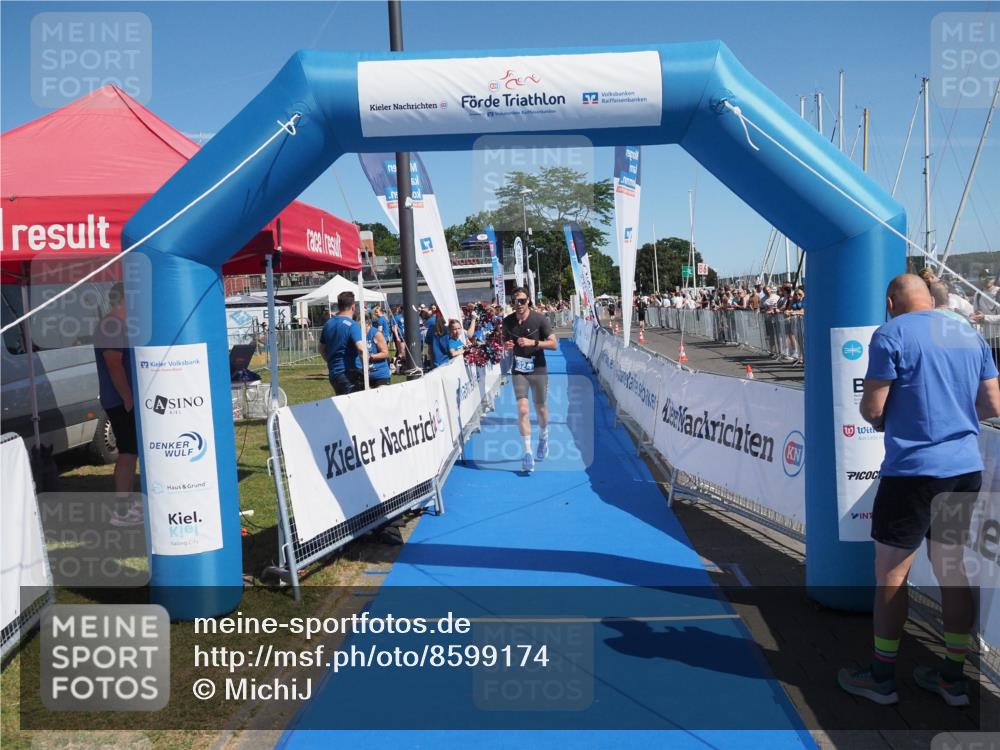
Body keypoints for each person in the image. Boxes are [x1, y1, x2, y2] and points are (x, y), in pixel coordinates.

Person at [838, 274, 1000, 706]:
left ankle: (882, 677)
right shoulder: (968, 333)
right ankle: (952, 678)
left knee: (891, 573)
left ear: (891, 302)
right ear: (930, 299)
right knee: (952, 569)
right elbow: (992, 406)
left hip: (912, 472)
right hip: (964, 468)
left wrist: (891, 419)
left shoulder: (890, 334)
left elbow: (873, 408)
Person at [94, 282, 142, 527]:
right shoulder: (111, 325)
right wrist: (128, 397)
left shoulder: (119, 325)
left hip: (123, 399)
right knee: (128, 452)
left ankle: (128, 506)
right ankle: (122, 511)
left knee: (130, 451)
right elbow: (113, 363)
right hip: (121, 400)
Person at [502, 288, 558, 473]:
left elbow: (554, 344)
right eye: (515, 301)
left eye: (522, 301)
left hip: (538, 368)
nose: (519, 304)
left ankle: (543, 436)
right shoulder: (507, 321)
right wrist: (507, 345)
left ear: (528, 301)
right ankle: (527, 453)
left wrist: (533, 343)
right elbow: (504, 342)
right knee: (523, 409)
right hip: (519, 369)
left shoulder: (540, 319)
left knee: (540, 408)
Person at [318, 291, 365, 395]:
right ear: (353, 307)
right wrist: (366, 368)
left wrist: (330, 361)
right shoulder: (352, 325)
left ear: (339, 306)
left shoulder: (328, 324)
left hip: (334, 374)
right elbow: (361, 349)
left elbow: (321, 349)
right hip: (350, 373)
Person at [362, 311, 392, 387]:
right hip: (365, 376)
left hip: (380, 375)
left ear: (367, 322)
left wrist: (371, 357)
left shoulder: (376, 333)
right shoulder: (358, 334)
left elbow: (385, 353)